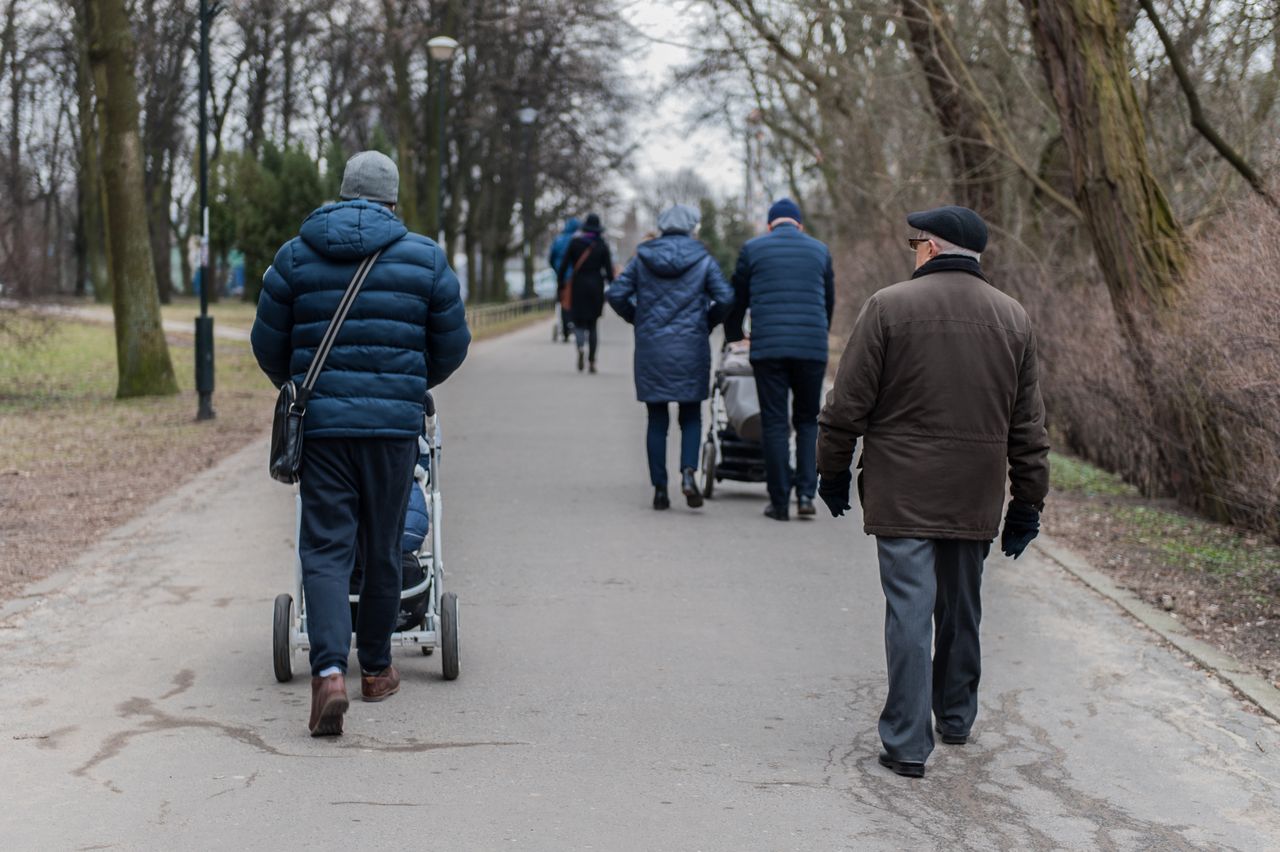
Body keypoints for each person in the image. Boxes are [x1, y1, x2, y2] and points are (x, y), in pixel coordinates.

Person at [815, 205, 1049, 778]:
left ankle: (906, 743)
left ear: (932, 248)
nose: (913, 250)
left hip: (902, 489)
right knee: (962, 606)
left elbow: (847, 404)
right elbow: (1028, 427)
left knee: (910, 612)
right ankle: (956, 716)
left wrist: (833, 470)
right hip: (975, 491)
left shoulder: (887, 307)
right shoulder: (1013, 318)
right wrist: (1027, 504)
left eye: (915, 242)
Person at [251, 150, 470, 737]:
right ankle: (375, 668)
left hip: (322, 428)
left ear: (343, 193)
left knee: (325, 548)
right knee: (382, 546)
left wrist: (301, 388)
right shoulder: (425, 258)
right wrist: (408, 387)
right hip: (394, 432)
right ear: (392, 201)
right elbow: (452, 344)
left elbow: (267, 342)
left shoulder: (294, 256)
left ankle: (328, 672)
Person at [607, 204, 734, 509]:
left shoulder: (642, 258)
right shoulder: (702, 259)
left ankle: (660, 490)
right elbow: (726, 297)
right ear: (692, 228)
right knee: (690, 416)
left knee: (657, 419)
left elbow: (615, 294)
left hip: (652, 348)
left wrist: (637, 319)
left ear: (662, 226)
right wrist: (707, 323)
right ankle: (688, 475)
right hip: (691, 347)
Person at [724, 198, 834, 521]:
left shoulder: (753, 249)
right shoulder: (820, 250)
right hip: (811, 348)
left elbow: (737, 299)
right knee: (807, 420)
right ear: (799, 224)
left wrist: (734, 335)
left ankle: (779, 501)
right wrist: (818, 334)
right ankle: (806, 494)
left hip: (769, 349)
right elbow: (828, 301)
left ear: (769, 225)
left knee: (774, 422)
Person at [557, 212, 613, 373]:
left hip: (578, 286)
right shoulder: (602, 245)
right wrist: (612, 287)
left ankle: (580, 347)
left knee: (579, 322)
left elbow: (563, 266)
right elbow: (609, 271)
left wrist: (561, 285)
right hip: (596, 286)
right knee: (593, 325)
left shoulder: (575, 243)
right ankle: (592, 361)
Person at [548, 215, 580, 342]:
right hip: (576, 277)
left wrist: (557, 270)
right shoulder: (577, 240)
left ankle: (565, 328)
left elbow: (551, 258)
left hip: (562, 276)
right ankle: (574, 324)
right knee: (575, 301)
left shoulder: (559, 240)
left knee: (563, 302)